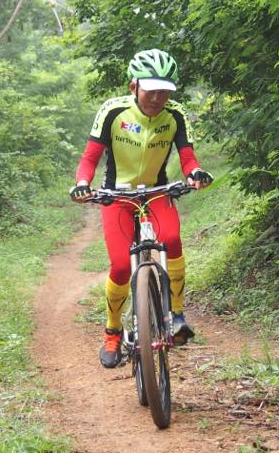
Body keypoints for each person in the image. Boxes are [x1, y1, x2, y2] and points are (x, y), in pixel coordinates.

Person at [70, 48, 213, 368]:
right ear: (134, 86)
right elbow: (90, 157)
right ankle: (112, 332)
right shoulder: (113, 111)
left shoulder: (175, 114)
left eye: (165, 92)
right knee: (121, 266)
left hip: (157, 192)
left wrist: (194, 173)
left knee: (172, 240)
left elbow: (187, 156)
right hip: (116, 196)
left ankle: (176, 315)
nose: (158, 98)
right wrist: (82, 183)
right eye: (151, 90)